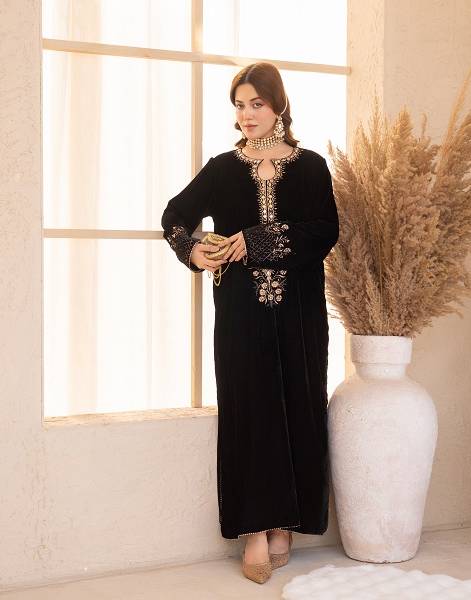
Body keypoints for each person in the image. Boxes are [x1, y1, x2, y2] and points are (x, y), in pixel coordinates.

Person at [161, 63, 339, 584]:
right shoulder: (223, 169)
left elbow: (324, 231)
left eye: (256, 104)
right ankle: (256, 530)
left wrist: (256, 240)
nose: (247, 115)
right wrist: (194, 251)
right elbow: (174, 216)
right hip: (240, 312)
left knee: (298, 405)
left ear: (277, 104)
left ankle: (287, 523)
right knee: (251, 410)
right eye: (239, 106)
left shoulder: (311, 167)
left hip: (300, 312)